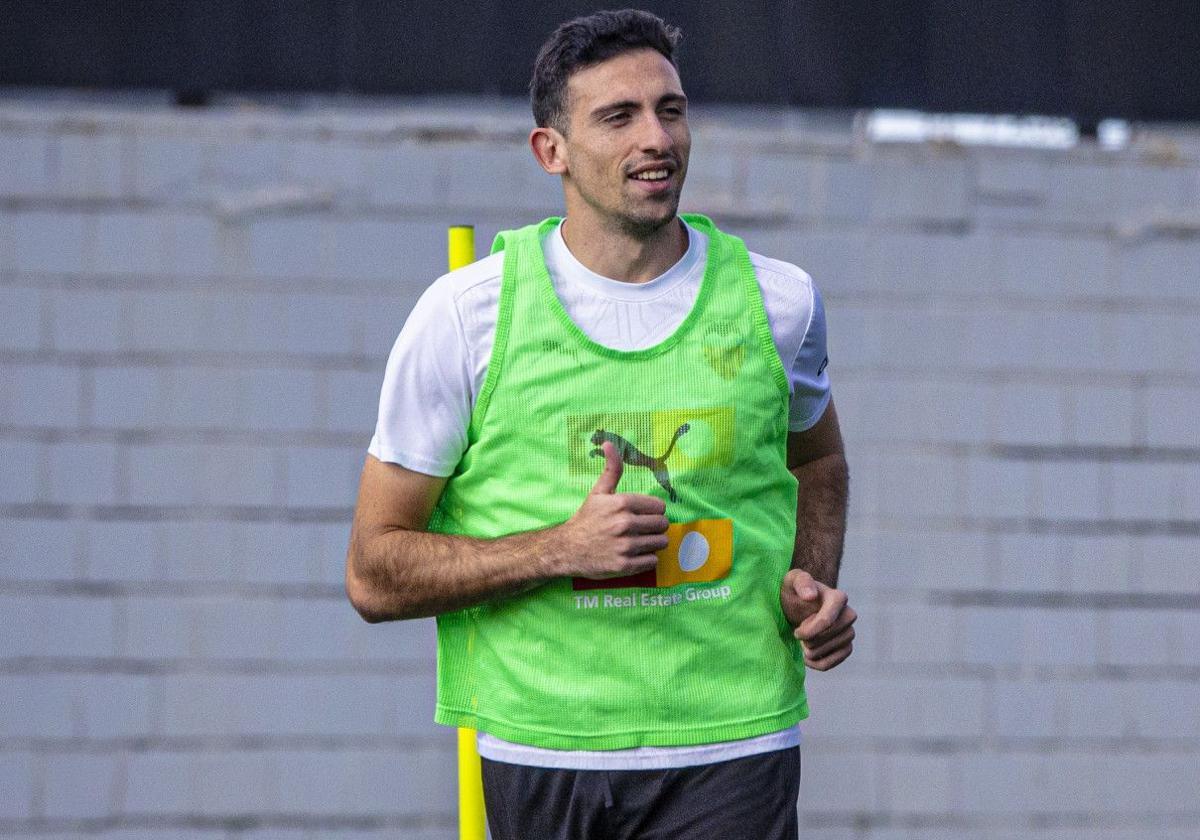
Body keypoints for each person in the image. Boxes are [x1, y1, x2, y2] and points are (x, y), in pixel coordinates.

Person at [346, 9, 856, 839]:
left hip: (735, 745)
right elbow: (374, 573)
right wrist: (560, 550)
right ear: (552, 152)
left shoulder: (779, 301)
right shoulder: (469, 315)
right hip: (543, 755)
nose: (656, 137)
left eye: (671, 109)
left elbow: (819, 465)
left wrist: (811, 581)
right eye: (618, 117)